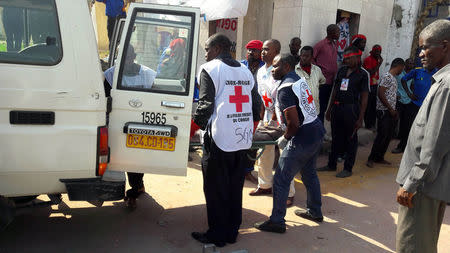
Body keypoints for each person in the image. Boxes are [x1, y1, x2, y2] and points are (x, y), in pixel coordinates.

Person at [192, 33, 258, 247]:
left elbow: (204, 107)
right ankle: (231, 232)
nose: (205, 53)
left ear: (219, 47)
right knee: (233, 187)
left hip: (219, 140)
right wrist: (249, 127)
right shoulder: (246, 71)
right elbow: (257, 106)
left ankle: (217, 236)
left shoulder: (210, 69)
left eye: (207, 48)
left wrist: (191, 129)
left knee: (215, 189)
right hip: (242, 140)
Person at [254, 54, 325, 233]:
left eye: (276, 66)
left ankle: (277, 221)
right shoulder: (298, 80)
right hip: (316, 130)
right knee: (309, 174)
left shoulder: (285, 88)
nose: (272, 70)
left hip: (302, 137)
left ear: (286, 67)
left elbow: (293, 122)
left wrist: (285, 138)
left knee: (280, 178)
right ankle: (315, 211)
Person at [395, 19, 450, 253]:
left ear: (445, 46)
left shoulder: (446, 85)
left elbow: (435, 143)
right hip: (429, 184)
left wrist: (411, 183)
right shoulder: (442, 80)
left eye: (425, 47)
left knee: (412, 246)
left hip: (422, 187)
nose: (420, 54)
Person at [104, 45, 157, 209]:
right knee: (120, 158)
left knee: (136, 158)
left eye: (128, 57)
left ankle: (136, 187)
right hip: (118, 123)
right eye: (122, 57)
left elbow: (154, 100)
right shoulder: (110, 75)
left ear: (134, 56)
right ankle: (132, 188)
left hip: (140, 123)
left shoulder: (147, 75)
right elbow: (106, 100)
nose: (125, 61)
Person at [249, 39, 296, 207]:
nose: (262, 52)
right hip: (268, 116)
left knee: (285, 155)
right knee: (264, 152)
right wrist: (262, 120)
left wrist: (276, 121)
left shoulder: (284, 70)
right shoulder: (261, 70)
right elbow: (262, 96)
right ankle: (265, 185)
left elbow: (284, 99)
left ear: (277, 51)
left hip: (284, 117)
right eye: (261, 49)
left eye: (266, 49)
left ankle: (289, 192)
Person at [317, 46, 369, 178]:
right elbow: (335, 90)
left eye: (349, 58)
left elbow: (364, 97)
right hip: (337, 108)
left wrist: (360, 117)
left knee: (351, 139)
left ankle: (348, 168)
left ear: (357, 57)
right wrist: (329, 110)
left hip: (351, 109)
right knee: (336, 138)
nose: (347, 61)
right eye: (345, 58)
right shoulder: (342, 71)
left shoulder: (363, 74)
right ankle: (331, 164)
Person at [366, 58, 405, 168]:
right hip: (384, 111)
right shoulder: (387, 76)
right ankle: (371, 158)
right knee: (381, 135)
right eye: (402, 68)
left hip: (391, 110)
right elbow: (381, 93)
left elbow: (387, 93)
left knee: (388, 136)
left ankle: (380, 157)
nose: (402, 70)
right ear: (399, 66)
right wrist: (390, 108)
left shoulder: (393, 78)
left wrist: (394, 97)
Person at [240, 40, 264, 184]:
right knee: (239, 137)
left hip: (256, 109)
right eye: (249, 50)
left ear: (260, 53)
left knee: (252, 141)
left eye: (254, 50)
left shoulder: (264, 68)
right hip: (240, 107)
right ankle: (238, 169)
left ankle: (248, 171)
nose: (250, 53)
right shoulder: (240, 65)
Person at [313, 24, 340, 123]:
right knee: (320, 107)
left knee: (324, 106)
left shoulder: (335, 44)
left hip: (331, 80)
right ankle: (319, 131)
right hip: (322, 82)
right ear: (331, 32)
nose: (339, 34)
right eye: (338, 32)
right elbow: (312, 58)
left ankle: (321, 129)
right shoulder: (321, 44)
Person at [392, 58, 415, 154]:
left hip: (408, 100)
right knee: (394, 119)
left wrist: (412, 94)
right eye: (409, 62)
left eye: (412, 63)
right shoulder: (399, 73)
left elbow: (412, 86)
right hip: (398, 99)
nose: (411, 64)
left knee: (406, 122)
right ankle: (392, 135)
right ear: (405, 64)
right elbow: (393, 84)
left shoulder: (413, 74)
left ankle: (401, 139)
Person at [295, 46, 326, 115]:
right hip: (301, 111)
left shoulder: (317, 69)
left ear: (312, 57)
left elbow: (322, 81)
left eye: (307, 56)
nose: (304, 58)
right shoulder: (295, 70)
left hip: (315, 110)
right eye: (302, 56)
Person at [363, 45, 383, 129]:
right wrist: (379, 64)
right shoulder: (368, 59)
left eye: (379, 51)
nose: (378, 53)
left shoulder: (377, 59)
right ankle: (368, 124)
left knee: (374, 105)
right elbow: (370, 73)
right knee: (368, 106)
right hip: (368, 85)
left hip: (374, 84)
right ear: (373, 51)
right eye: (376, 51)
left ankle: (372, 123)